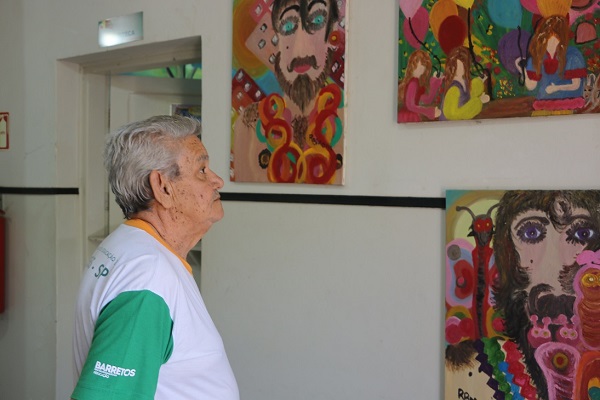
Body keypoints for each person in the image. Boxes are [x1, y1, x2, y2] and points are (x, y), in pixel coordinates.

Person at [71, 115, 239, 400]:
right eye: (202, 170)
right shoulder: (148, 277)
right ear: (163, 187)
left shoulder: (134, 246)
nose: (217, 181)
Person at [445, 190, 600, 400]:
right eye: (531, 233)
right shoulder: (473, 368)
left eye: (582, 234)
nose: (555, 271)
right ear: (507, 252)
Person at [232, 0, 344, 184]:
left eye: (317, 21)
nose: (300, 50)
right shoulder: (248, 126)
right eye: (288, 26)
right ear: (276, 38)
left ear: (332, 33)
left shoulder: (353, 124)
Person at [522, 15, 587, 113]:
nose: (551, 43)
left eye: (555, 39)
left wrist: (556, 88)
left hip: (568, 106)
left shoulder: (572, 56)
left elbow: (576, 85)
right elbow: (531, 86)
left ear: (562, 40)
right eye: (547, 38)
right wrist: (524, 71)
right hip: (543, 106)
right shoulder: (537, 58)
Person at [440, 46, 490, 121]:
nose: (458, 69)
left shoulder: (463, 81)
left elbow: (470, 92)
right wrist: (479, 102)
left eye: (461, 67)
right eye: (455, 66)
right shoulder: (454, 89)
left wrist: (479, 81)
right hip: (450, 125)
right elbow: (452, 114)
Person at [397, 49, 443, 123]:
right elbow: (410, 106)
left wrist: (435, 83)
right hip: (408, 117)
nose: (421, 68)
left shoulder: (417, 83)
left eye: (424, 65)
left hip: (411, 116)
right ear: (412, 65)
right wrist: (429, 112)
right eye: (419, 64)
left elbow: (427, 100)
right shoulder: (413, 82)